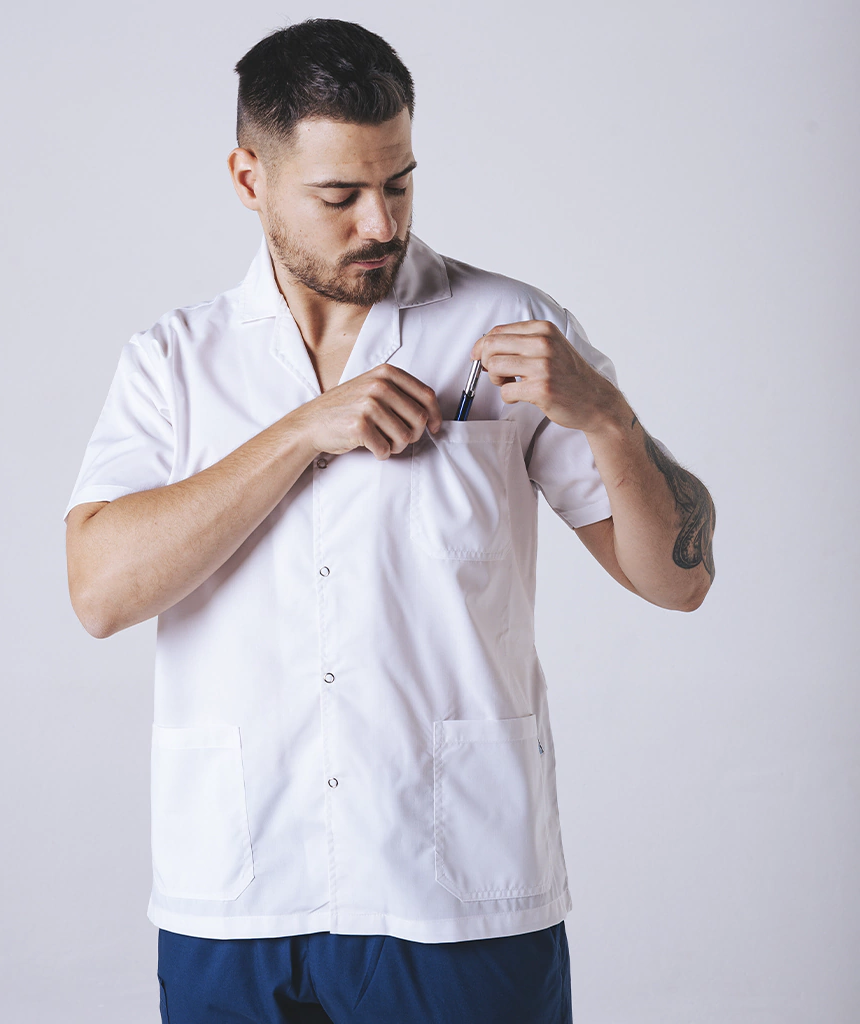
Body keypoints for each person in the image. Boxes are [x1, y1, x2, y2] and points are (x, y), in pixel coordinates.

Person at [62, 17, 715, 1024]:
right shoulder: (173, 362)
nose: (381, 222)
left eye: (399, 183)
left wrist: (609, 418)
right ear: (248, 179)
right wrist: (301, 432)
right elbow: (100, 593)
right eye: (340, 196)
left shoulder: (509, 329)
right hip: (238, 889)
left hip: (460, 887)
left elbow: (679, 581)